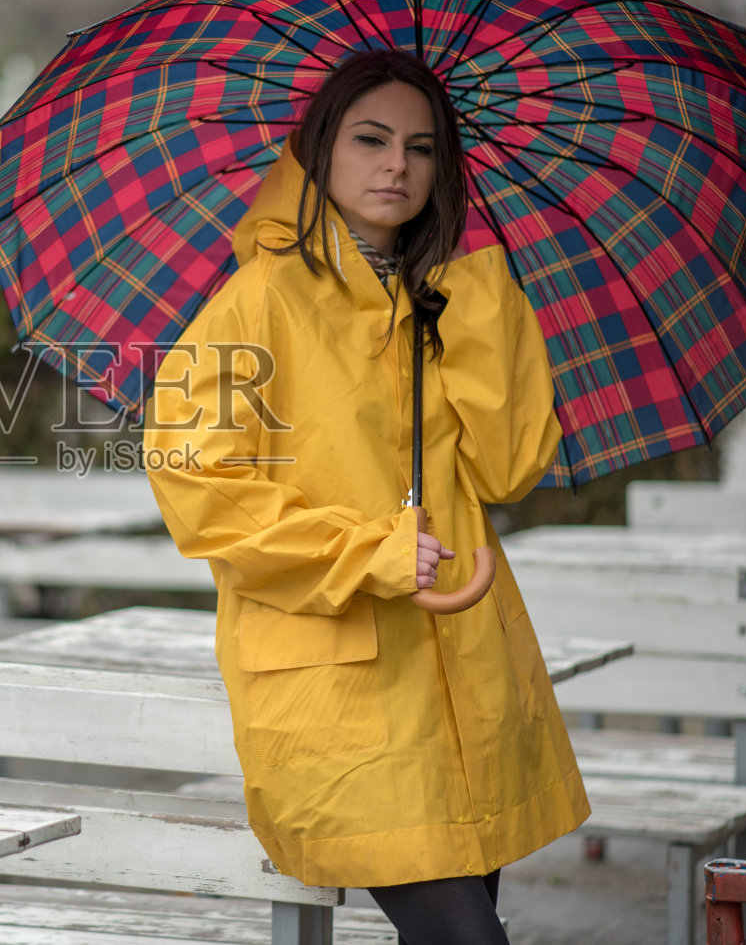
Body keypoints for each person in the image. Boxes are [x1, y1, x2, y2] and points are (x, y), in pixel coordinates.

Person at [142, 48, 589, 944]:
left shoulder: (446, 299)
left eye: (422, 148)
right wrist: (371, 550)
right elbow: (201, 487)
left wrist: (480, 300)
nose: (398, 165)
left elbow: (509, 469)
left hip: (465, 671)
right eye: (372, 139)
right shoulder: (255, 303)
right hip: (338, 692)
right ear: (318, 148)